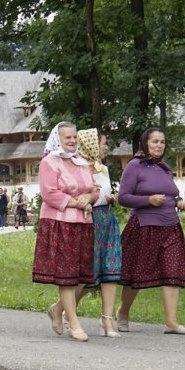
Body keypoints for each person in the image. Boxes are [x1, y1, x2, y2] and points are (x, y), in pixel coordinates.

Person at [116, 127, 185, 335]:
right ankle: (123, 313)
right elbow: (123, 197)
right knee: (137, 275)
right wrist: (148, 200)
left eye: (162, 142)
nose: (159, 145)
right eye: (155, 141)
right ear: (145, 143)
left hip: (171, 226)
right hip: (144, 226)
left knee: (173, 272)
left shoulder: (165, 168)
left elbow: (169, 195)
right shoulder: (134, 165)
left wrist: (178, 202)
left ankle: (171, 322)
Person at [34, 122, 98, 342]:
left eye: (74, 137)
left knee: (83, 276)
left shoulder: (82, 162)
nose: (72, 141)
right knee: (67, 276)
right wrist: (77, 202)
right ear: (57, 139)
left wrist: (90, 198)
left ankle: (57, 309)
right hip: (59, 223)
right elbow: (49, 193)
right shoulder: (49, 162)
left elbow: (93, 190)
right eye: (67, 137)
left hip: (84, 224)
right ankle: (75, 323)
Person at [65, 128, 123, 338]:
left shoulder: (103, 169)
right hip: (88, 222)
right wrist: (96, 198)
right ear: (91, 145)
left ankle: (107, 321)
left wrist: (109, 198)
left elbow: (102, 193)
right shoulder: (76, 168)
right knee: (88, 275)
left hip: (107, 221)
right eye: (102, 143)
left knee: (111, 271)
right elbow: (78, 196)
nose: (106, 147)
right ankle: (61, 308)